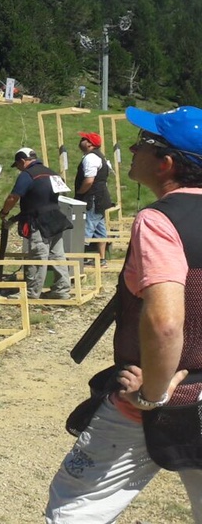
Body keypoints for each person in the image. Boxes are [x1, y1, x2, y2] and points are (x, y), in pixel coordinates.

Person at [45, 106, 202, 522]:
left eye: (143, 143)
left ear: (166, 163)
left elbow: (165, 323)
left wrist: (153, 392)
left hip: (159, 399)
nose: (132, 149)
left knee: (75, 506)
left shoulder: (159, 220)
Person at [0, 147, 73, 299]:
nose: (18, 168)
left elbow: (13, 197)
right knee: (57, 256)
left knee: (38, 256)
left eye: (17, 165)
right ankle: (62, 290)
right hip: (55, 218)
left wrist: (4, 212)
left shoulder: (27, 175)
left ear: (22, 161)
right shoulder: (52, 173)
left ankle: (31, 293)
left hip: (38, 221)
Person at [75, 132, 114, 265]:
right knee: (99, 230)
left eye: (84, 139)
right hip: (100, 198)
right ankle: (102, 259)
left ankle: (79, 260)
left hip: (92, 199)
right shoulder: (98, 156)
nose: (81, 140)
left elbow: (89, 181)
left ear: (89, 144)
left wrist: (79, 193)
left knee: (85, 229)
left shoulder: (91, 158)